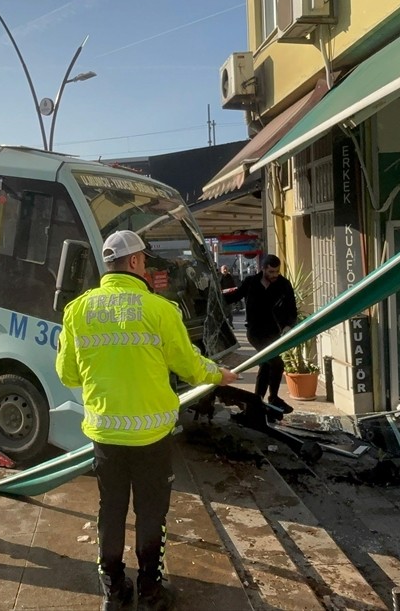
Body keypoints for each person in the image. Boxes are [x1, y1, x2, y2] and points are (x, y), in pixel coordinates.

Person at [57, 230, 237, 611]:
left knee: (111, 508)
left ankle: (114, 588)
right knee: (151, 512)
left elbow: (68, 376)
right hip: (152, 436)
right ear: (136, 262)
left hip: (106, 433)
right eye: (146, 260)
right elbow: (188, 366)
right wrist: (218, 374)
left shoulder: (77, 311)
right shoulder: (160, 310)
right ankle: (151, 590)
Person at [222, 254, 297, 413]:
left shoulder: (283, 284)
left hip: (274, 332)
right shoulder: (251, 282)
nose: (274, 275)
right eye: (271, 271)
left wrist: (289, 325)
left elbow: (292, 309)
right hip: (255, 333)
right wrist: (216, 297)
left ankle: (257, 400)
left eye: (277, 271)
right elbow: (235, 296)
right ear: (262, 269)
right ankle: (274, 398)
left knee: (265, 364)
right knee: (277, 364)